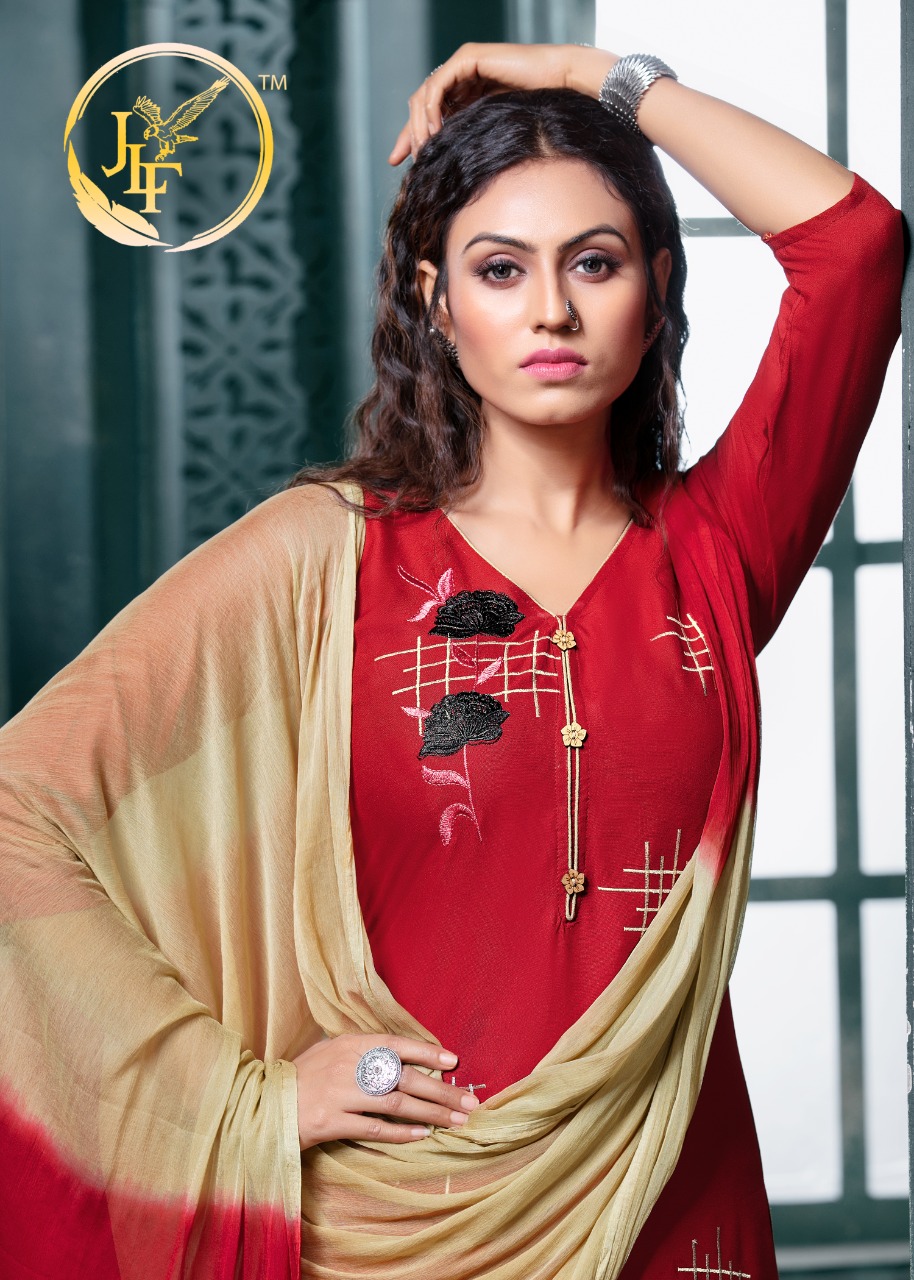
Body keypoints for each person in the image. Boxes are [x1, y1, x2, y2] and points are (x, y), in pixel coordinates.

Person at [0, 38, 903, 1280]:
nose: (551, 310)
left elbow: (853, 248)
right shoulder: (326, 559)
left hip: (671, 1206)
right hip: (393, 1218)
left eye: (594, 262)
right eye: (500, 268)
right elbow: (19, 807)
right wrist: (251, 1093)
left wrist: (597, 77)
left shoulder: (715, 548)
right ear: (435, 299)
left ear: (654, 290)